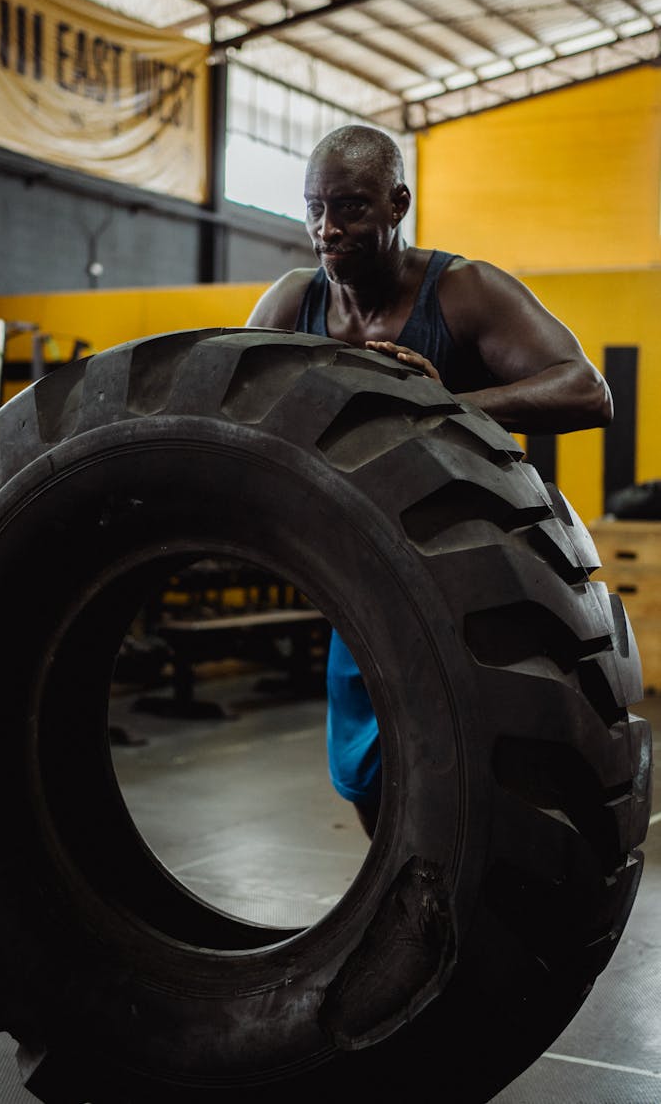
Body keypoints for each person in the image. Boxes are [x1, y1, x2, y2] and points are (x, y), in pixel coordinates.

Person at [246, 123, 613, 839]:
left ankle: (471, 907)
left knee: (473, 762)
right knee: (363, 771)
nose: (328, 228)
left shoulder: (464, 292)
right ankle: (409, 901)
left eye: (350, 206)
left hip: (473, 572)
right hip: (361, 568)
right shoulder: (293, 306)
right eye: (315, 207)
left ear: (398, 203)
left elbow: (589, 391)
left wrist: (446, 405)